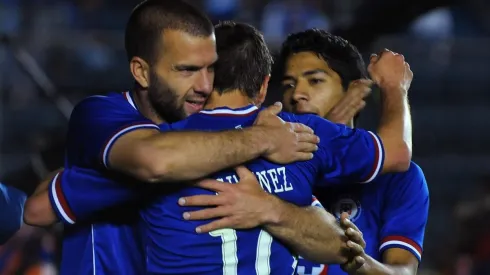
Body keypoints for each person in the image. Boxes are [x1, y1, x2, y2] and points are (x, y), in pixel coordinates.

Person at [25, 20, 412, 274]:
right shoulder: (304, 136)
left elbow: (40, 209)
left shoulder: (165, 153)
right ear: (264, 85)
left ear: (203, 78)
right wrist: (394, 87)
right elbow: (396, 153)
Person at [277, 28, 429, 275]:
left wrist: (360, 261)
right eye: (288, 85)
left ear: (354, 90)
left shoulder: (400, 178)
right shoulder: (271, 165)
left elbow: (403, 271)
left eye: (315, 80)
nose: (296, 95)